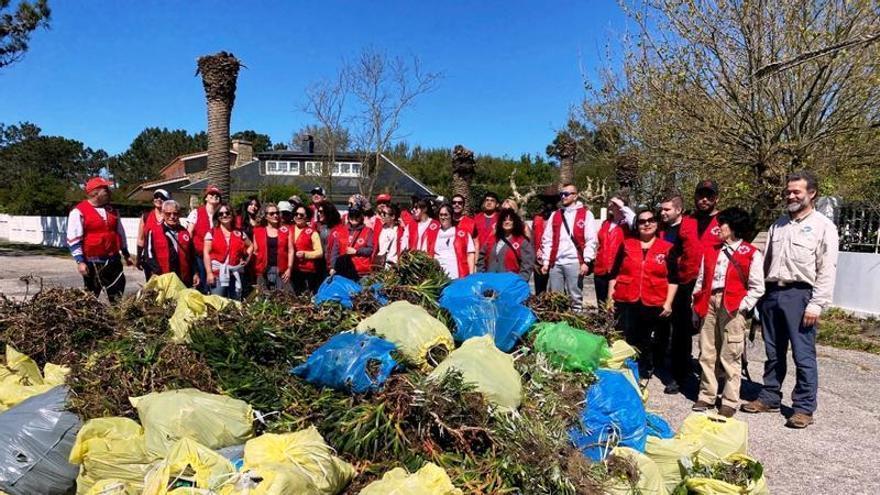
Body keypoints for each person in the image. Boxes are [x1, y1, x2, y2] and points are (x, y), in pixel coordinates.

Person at [742, 171, 839, 429]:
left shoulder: (823, 226)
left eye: (796, 191)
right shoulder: (778, 225)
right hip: (773, 294)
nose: (791, 196)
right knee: (773, 352)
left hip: (800, 295)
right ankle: (770, 396)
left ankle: (804, 408)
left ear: (811, 193)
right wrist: (759, 296)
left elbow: (827, 268)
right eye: (788, 192)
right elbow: (765, 262)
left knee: (803, 354)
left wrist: (817, 303)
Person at [691, 207, 765, 417]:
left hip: (733, 304)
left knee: (731, 352)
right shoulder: (711, 251)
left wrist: (743, 306)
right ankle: (706, 395)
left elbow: (757, 287)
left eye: (722, 224)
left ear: (733, 227)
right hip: (709, 301)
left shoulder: (750, 253)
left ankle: (730, 400)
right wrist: (696, 307)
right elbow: (701, 280)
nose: (718, 228)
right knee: (707, 351)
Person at [609, 208, 679, 383]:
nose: (646, 224)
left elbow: (673, 279)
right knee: (628, 335)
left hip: (654, 298)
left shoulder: (667, 248)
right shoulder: (626, 244)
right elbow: (614, 273)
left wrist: (668, 303)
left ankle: (653, 367)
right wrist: (610, 298)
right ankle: (631, 369)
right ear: (636, 225)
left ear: (657, 223)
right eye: (641, 221)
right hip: (627, 297)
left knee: (652, 338)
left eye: (651, 220)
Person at [657, 190, 704, 394]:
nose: (663, 213)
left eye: (667, 209)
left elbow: (692, 259)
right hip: (662, 283)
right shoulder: (662, 229)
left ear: (679, 210)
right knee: (661, 327)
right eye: (661, 209)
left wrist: (684, 284)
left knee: (681, 332)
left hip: (683, 284)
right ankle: (660, 363)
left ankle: (680, 374)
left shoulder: (690, 228)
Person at [66, 177, 133, 302]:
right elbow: (73, 239)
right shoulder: (78, 212)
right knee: (91, 298)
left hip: (113, 260)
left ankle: (116, 318)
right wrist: (80, 261)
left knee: (117, 294)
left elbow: (120, 234)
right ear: (95, 193)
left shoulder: (113, 211)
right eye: (105, 189)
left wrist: (126, 254)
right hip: (93, 262)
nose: (109, 191)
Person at [540, 183, 598, 311]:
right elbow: (547, 239)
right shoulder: (555, 215)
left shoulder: (586, 214)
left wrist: (587, 261)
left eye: (566, 194)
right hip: (556, 263)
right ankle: (558, 325)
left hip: (574, 262)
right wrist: (546, 262)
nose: (563, 197)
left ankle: (575, 326)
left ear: (575, 196)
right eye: (561, 194)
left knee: (575, 298)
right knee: (555, 298)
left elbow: (591, 240)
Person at [203, 204, 254, 299]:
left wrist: (246, 258)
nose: (224, 215)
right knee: (218, 301)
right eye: (221, 214)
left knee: (235, 302)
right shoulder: (211, 233)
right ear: (217, 217)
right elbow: (206, 253)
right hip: (217, 273)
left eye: (227, 213)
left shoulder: (239, 233)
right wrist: (209, 272)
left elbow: (251, 245)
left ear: (232, 214)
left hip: (235, 272)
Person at [143, 200, 197, 287]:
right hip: (163, 278)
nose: (172, 217)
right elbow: (149, 255)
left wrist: (195, 273)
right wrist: (158, 272)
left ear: (179, 214)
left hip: (183, 278)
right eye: (168, 213)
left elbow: (191, 255)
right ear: (163, 214)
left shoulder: (184, 232)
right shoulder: (153, 231)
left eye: (175, 213)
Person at [594, 193, 635, 306]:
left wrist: (621, 205)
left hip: (618, 271)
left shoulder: (628, 224)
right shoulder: (605, 223)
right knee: (601, 304)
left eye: (614, 204)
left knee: (615, 304)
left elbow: (634, 219)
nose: (610, 206)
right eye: (610, 203)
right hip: (601, 270)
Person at [482, 208, 535, 281]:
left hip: (511, 284)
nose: (507, 222)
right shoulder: (492, 239)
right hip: (490, 282)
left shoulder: (522, 241)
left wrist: (520, 282)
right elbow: (481, 256)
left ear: (515, 222)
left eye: (510, 220)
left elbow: (527, 264)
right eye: (504, 220)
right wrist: (482, 275)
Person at [187, 185, 223, 293]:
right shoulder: (196, 213)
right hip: (200, 256)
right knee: (202, 285)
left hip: (217, 256)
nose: (214, 196)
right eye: (211, 194)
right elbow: (189, 234)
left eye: (217, 195)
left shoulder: (222, 214)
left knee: (216, 286)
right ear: (206, 197)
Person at [252, 203, 293, 292]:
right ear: (265, 216)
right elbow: (255, 251)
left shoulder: (286, 230)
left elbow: (290, 250)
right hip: (263, 270)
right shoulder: (257, 231)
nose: (275, 215)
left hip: (282, 270)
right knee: (263, 300)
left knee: (286, 297)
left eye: (277, 213)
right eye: (271, 213)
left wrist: (289, 268)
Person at [328, 208, 374, 281]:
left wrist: (356, 251)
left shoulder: (368, 231)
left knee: (360, 292)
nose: (354, 218)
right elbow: (335, 251)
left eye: (357, 216)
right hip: (344, 271)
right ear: (348, 217)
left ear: (361, 217)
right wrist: (333, 267)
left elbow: (370, 250)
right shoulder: (341, 231)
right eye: (351, 216)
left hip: (361, 272)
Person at [433, 204, 475, 279]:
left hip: (457, 275)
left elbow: (470, 254)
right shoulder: (432, 233)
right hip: (437, 276)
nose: (443, 217)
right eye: (441, 215)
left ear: (451, 216)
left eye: (446, 215)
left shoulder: (463, 234)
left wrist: (471, 275)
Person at [135, 188, 169, 281]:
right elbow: (141, 239)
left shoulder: (170, 217)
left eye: (162, 197)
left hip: (167, 258)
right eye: (156, 197)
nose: (158, 199)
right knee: (152, 287)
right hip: (149, 259)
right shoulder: (146, 216)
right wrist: (138, 258)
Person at [290, 204, 324, 294]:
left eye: (301, 215)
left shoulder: (313, 233)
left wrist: (305, 254)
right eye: (296, 214)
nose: (298, 216)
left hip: (307, 271)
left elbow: (320, 252)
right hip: (292, 270)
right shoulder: (288, 230)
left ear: (307, 217)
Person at [531, 201, 555, 294]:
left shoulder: (559, 217)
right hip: (539, 260)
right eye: (546, 201)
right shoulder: (537, 218)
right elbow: (533, 238)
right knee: (540, 291)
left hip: (554, 260)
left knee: (555, 291)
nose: (548, 205)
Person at [473, 192, 500, 264]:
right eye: (487, 200)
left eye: (492, 200)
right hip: (479, 257)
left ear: (497, 204)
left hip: (495, 257)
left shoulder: (501, 219)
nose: (489, 202)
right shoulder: (476, 219)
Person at [375, 203, 405, 269]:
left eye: (385, 213)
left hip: (392, 266)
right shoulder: (380, 229)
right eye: (381, 213)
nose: (382, 215)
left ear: (393, 216)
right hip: (380, 265)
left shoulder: (400, 231)